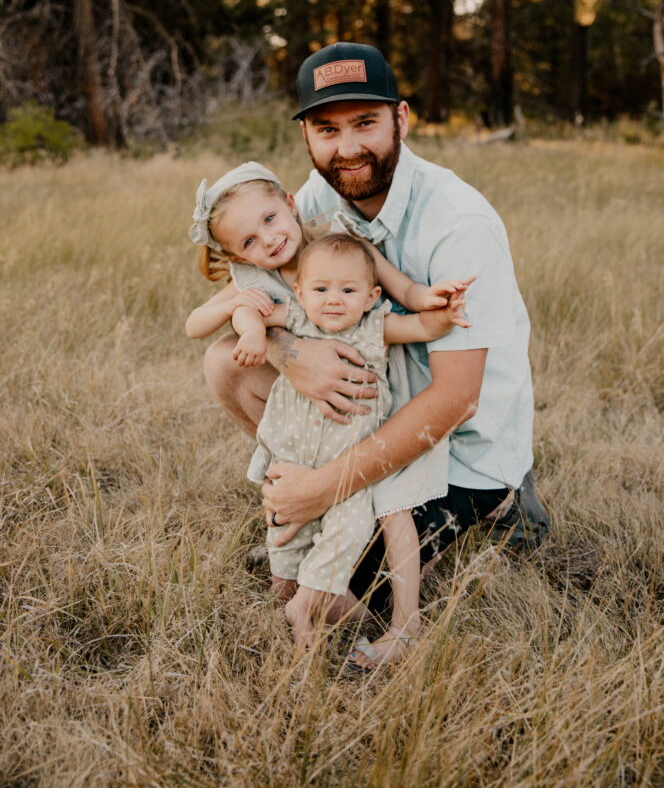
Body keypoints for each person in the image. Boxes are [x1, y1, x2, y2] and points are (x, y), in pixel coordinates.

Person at [203, 42, 549, 672]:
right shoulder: (313, 195)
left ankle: (506, 500)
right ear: (307, 135)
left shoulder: (457, 223)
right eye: (326, 129)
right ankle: (325, 501)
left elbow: (455, 400)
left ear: (402, 120)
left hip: (459, 446)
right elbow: (241, 291)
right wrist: (289, 353)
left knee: (336, 602)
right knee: (227, 363)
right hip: (372, 406)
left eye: (366, 122)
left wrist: (320, 488)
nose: (347, 148)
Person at [186, 164, 473, 657]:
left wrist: (429, 300)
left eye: (272, 219)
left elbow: (400, 294)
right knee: (293, 473)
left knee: (387, 506)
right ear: (237, 257)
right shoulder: (262, 279)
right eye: (249, 241)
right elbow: (213, 319)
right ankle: (303, 568)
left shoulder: (343, 248)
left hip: (367, 408)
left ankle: (400, 622)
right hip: (307, 420)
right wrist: (253, 327)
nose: (269, 240)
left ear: (293, 204)